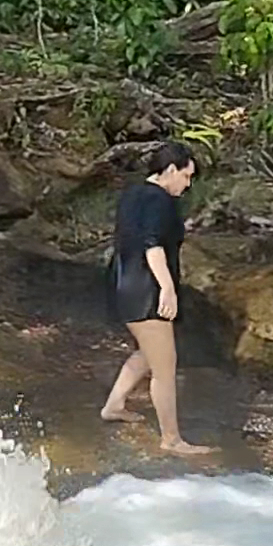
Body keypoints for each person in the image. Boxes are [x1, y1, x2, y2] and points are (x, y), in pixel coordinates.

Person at [99, 142, 215, 455]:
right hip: (146, 290)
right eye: (186, 176)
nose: (188, 184)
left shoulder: (133, 194)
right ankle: (171, 439)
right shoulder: (160, 200)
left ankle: (114, 405)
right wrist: (167, 288)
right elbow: (152, 246)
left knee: (148, 353)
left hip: (124, 284)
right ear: (170, 170)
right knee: (165, 367)